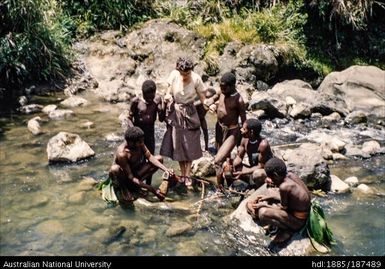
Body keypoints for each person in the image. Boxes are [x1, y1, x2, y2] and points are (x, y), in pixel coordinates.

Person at [160, 57, 209, 186]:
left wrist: (209, 104)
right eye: (183, 73)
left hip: (190, 112)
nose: (185, 76)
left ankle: (187, 175)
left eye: (187, 73)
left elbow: (203, 98)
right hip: (176, 112)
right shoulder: (174, 75)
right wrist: (167, 95)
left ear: (191, 71)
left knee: (190, 144)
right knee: (178, 144)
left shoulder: (196, 78)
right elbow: (168, 89)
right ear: (179, 70)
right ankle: (182, 174)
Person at [246, 158, 311, 244]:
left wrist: (264, 206)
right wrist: (270, 197)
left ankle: (288, 230)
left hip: (298, 222)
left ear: (276, 175)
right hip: (300, 211)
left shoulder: (284, 187)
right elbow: (294, 199)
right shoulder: (290, 175)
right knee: (270, 194)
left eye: (271, 178)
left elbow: (283, 209)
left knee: (263, 213)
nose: (270, 180)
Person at [109, 127, 174, 205]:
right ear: (131, 142)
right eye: (139, 142)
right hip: (126, 178)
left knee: (159, 159)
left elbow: (149, 156)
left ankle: (137, 186)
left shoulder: (140, 143)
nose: (142, 143)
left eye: (142, 141)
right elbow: (131, 177)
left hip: (136, 173)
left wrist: (165, 169)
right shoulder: (122, 153)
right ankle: (125, 190)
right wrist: (151, 189)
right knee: (114, 169)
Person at [211, 72, 246, 189]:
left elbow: (244, 121)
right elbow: (213, 98)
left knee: (217, 161)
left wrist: (243, 140)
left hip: (232, 132)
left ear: (232, 86)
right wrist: (210, 103)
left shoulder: (238, 100)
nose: (221, 89)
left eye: (224, 87)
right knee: (225, 159)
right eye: (220, 86)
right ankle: (229, 185)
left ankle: (220, 189)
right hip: (219, 128)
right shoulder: (222, 91)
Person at [127, 80, 165, 184]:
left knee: (151, 158)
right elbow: (129, 118)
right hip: (138, 135)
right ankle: (135, 181)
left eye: (151, 97)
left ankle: (148, 183)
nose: (150, 99)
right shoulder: (136, 102)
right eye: (147, 97)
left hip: (150, 134)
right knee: (137, 159)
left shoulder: (157, 100)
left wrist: (162, 108)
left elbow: (161, 119)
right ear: (142, 93)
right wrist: (133, 131)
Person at [225, 118, 274, 188]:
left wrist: (243, 172)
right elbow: (239, 157)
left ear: (251, 132)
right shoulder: (245, 139)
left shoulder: (263, 145)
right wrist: (232, 165)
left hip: (264, 171)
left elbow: (261, 165)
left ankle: (258, 188)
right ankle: (230, 188)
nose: (241, 130)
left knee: (257, 174)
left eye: (244, 129)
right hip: (252, 168)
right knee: (227, 167)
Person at [194, 87, 218, 151]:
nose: (207, 98)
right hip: (195, 118)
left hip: (202, 118)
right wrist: (202, 102)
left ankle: (206, 147)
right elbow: (192, 105)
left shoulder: (213, 102)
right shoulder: (200, 98)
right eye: (206, 96)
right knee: (197, 132)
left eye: (209, 97)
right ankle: (197, 147)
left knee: (205, 131)